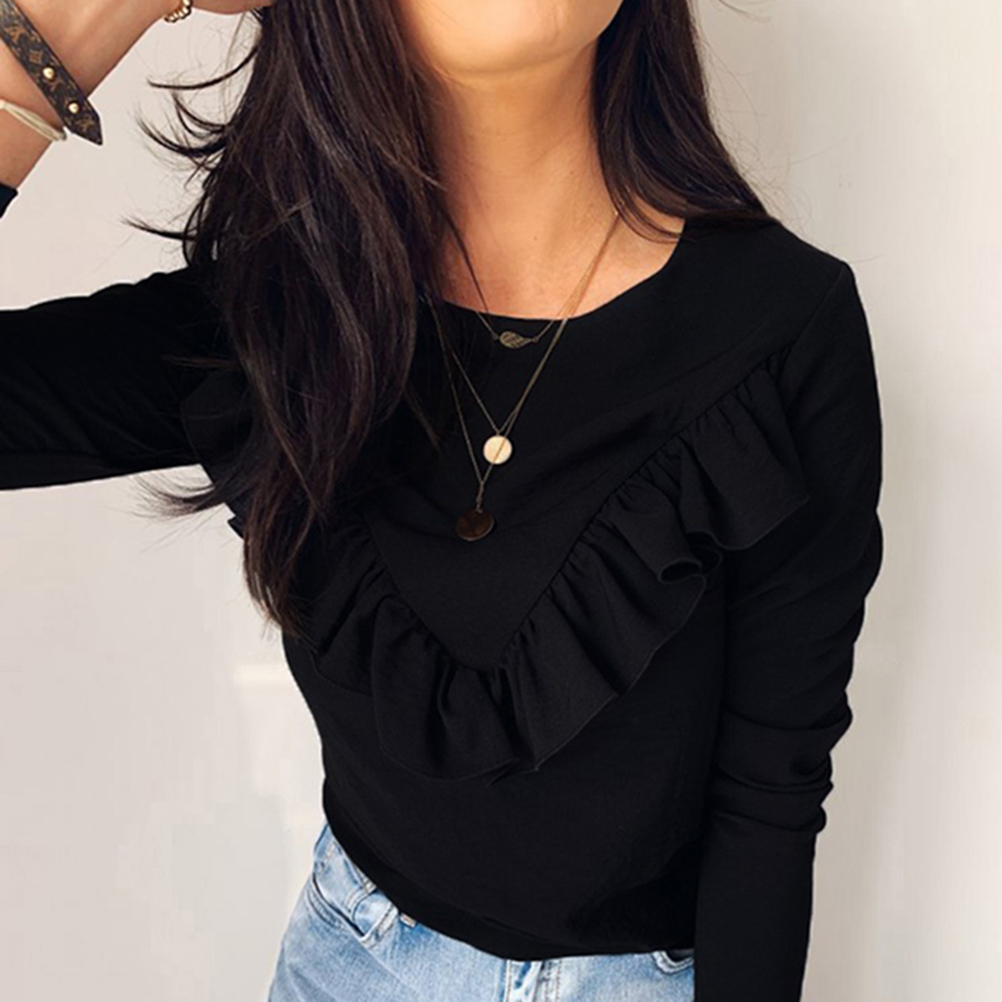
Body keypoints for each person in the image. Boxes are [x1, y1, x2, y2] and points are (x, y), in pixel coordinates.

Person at [0, 2, 885, 1000]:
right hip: (344, 965)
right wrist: (74, 23)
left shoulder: (783, 327)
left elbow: (770, 796)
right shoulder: (278, 314)